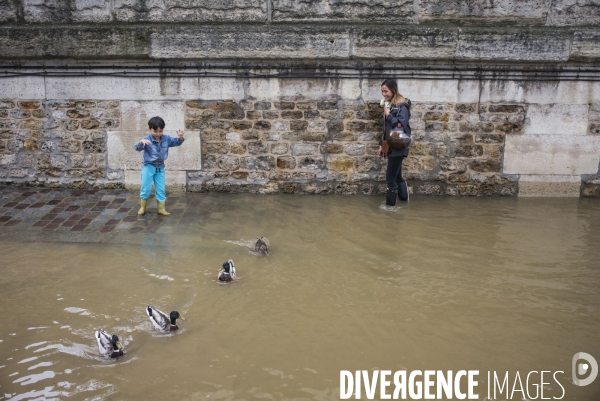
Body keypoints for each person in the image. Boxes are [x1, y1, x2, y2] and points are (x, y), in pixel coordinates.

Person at [134, 116, 185, 216]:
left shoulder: (166, 139)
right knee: (146, 188)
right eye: (155, 131)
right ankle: (142, 207)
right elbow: (136, 148)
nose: (158, 134)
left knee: (161, 189)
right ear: (150, 129)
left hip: (160, 168)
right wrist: (140, 142)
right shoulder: (146, 139)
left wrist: (180, 138)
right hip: (148, 167)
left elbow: (176, 142)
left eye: (160, 131)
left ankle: (161, 209)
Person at [377, 79, 412, 206]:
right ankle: (404, 201)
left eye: (385, 91)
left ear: (393, 90)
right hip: (392, 146)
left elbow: (399, 125)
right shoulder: (391, 105)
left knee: (390, 179)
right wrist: (382, 145)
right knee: (397, 177)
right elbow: (387, 129)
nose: (383, 94)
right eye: (382, 91)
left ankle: (389, 207)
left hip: (399, 145)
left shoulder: (402, 106)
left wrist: (388, 114)